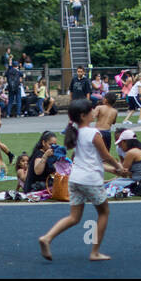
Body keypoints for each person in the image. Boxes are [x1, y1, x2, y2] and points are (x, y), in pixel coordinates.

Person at [38, 98, 124, 262]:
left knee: (74, 217)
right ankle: (95, 252)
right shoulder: (94, 133)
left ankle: (47, 238)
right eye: (91, 110)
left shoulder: (75, 133)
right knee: (104, 212)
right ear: (84, 115)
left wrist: (114, 169)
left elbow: (87, 158)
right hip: (90, 179)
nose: (94, 112)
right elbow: (105, 155)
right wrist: (119, 167)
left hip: (75, 179)